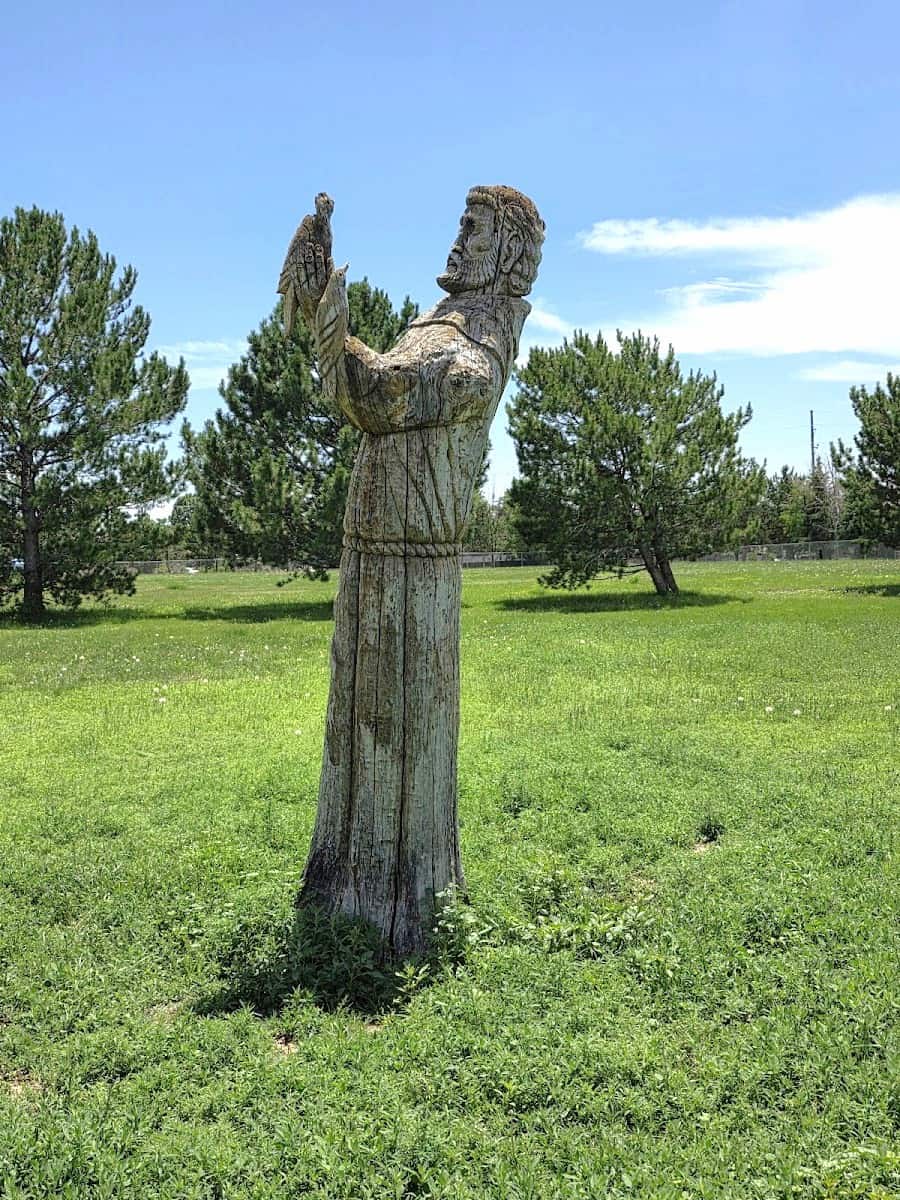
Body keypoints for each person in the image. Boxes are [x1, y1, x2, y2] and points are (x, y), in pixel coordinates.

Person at [295, 186, 545, 956]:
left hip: (417, 568)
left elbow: (385, 392)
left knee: (400, 733)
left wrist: (328, 320)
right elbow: (380, 387)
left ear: (505, 252)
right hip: (367, 549)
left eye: (473, 227)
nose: (458, 237)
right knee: (354, 729)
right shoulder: (434, 328)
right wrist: (322, 316)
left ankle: (400, 903)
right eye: (461, 222)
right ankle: (340, 886)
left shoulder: (481, 343)